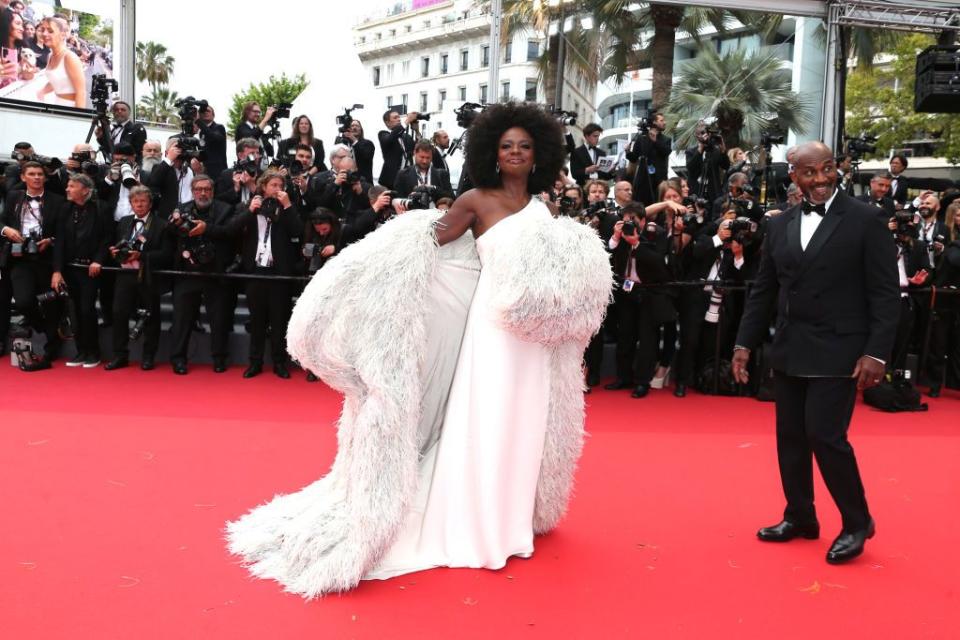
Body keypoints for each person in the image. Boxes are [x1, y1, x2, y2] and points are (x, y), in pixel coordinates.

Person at [226, 101, 611, 598]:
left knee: (524, 422)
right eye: (506, 145)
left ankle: (510, 522)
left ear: (540, 155)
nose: (515, 152)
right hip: (490, 334)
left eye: (525, 146)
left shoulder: (547, 210)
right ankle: (473, 524)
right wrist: (392, 232)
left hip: (530, 342)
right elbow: (429, 240)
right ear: (492, 152)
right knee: (487, 420)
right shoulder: (476, 199)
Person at [732, 142, 900, 565]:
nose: (821, 179)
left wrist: (877, 353)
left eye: (828, 169)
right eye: (810, 172)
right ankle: (801, 517)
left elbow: (885, 294)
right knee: (790, 438)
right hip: (791, 345)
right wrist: (743, 343)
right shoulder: (780, 224)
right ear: (794, 177)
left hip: (841, 347)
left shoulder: (866, 218)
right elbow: (764, 290)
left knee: (825, 436)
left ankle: (858, 521)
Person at [1, 160, 65, 364]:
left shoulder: (57, 200)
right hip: (20, 257)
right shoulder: (13, 196)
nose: (37, 177)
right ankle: (44, 328)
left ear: (45, 178)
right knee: (23, 301)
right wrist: (6, 230)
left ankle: (52, 346)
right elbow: (1, 220)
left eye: (40, 174)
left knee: (51, 304)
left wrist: (51, 241)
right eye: (32, 174)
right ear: (23, 177)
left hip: (46, 258)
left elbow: (64, 233)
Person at [104, 186, 171, 371]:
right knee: (119, 314)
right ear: (131, 204)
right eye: (136, 201)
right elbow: (117, 245)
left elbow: (167, 254)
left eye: (143, 201)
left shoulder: (161, 224)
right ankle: (120, 355)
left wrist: (140, 256)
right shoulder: (124, 222)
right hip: (125, 275)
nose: (139, 204)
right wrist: (114, 252)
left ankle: (148, 357)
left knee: (151, 316)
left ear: (150, 203)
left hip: (147, 275)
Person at [52, 173, 110, 368]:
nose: (67, 189)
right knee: (74, 311)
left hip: (90, 269)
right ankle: (80, 351)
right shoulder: (65, 209)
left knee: (86, 309)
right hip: (69, 268)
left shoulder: (101, 208)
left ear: (85, 190)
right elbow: (59, 240)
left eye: (72, 186)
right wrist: (57, 270)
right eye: (68, 186)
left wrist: (98, 260)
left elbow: (106, 238)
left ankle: (93, 352)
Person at [34, 15, 85, 108]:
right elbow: (56, 81)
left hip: (70, 108)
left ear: (62, 34)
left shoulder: (69, 57)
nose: (44, 34)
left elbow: (81, 93)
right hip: (57, 104)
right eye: (42, 30)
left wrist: (78, 119)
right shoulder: (50, 56)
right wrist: (42, 91)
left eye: (50, 31)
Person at [378, 108, 418, 189]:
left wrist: (416, 130)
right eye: (395, 118)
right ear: (387, 123)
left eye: (399, 117)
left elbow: (419, 148)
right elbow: (390, 139)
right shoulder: (383, 134)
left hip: (407, 178)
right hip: (391, 180)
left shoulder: (406, 136)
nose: (399, 119)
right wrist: (406, 122)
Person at [339, 119, 375, 184]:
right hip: (345, 180)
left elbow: (367, 157)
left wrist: (355, 141)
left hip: (363, 181)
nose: (354, 128)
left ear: (361, 129)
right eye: (352, 126)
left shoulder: (368, 143)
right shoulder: (343, 144)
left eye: (357, 126)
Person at [196, 104, 228, 178]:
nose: (205, 113)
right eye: (203, 111)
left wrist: (198, 121)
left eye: (208, 111)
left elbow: (213, 137)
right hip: (205, 171)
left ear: (213, 115)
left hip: (218, 172)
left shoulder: (219, 127)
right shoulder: (201, 132)